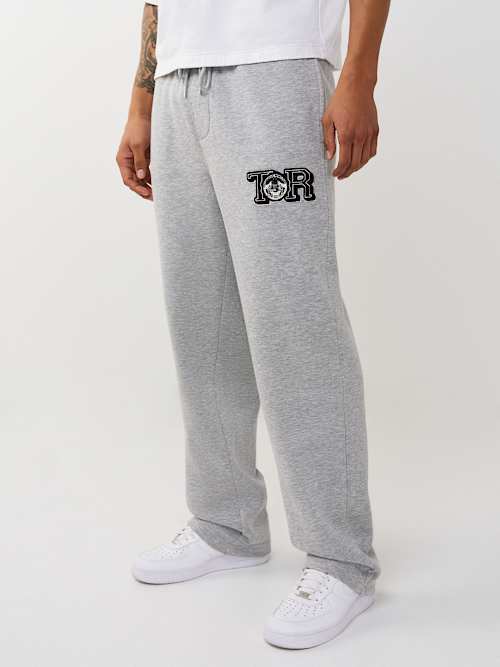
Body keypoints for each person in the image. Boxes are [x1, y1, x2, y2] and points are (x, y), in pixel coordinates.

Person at [116, 0, 389, 650]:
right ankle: (226, 522)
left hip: (276, 74)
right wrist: (142, 102)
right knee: (201, 323)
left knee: (296, 322)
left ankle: (342, 560)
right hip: (179, 85)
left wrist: (360, 76)